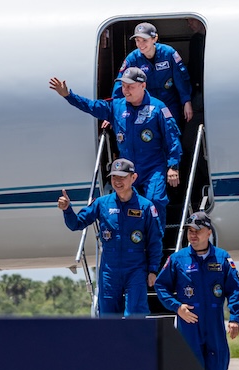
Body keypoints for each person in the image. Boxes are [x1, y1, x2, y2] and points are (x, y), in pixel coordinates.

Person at [50, 70, 182, 233]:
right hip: (127, 169)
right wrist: (68, 95)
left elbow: (172, 137)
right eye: (124, 86)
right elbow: (91, 106)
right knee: (126, 206)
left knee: (154, 200)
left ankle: (154, 243)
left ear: (143, 85)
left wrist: (173, 166)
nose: (125, 91)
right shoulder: (117, 107)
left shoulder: (158, 108)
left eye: (130, 87)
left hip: (152, 167)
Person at [58, 158, 162, 317]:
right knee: (108, 318)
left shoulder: (146, 206)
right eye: (114, 177)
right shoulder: (102, 204)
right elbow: (77, 224)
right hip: (109, 271)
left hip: (135, 269)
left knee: (135, 314)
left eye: (122, 177)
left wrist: (153, 270)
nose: (117, 181)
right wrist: (67, 210)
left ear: (133, 178)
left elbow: (155, 241)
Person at [154, 212, 239, 370]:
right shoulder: (178, 259)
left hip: (214, 324)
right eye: (189, 231)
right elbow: (161, 286)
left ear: (208, 232)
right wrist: (177, 307)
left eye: (197, 230)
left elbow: (234, 289)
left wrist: (235, 318)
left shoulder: (222, 258)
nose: (192, 235)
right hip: (189, 324)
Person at [113, 22, 193, 126]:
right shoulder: (132, 59)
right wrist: (114, 110)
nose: (141, 45)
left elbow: (181, 78)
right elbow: (121, 85)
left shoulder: (169, 53)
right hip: (145, 106)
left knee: (171, 134)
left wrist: (187, 102)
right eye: (137, 41)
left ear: (154, 39)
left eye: (144, 40)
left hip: (170, 104)